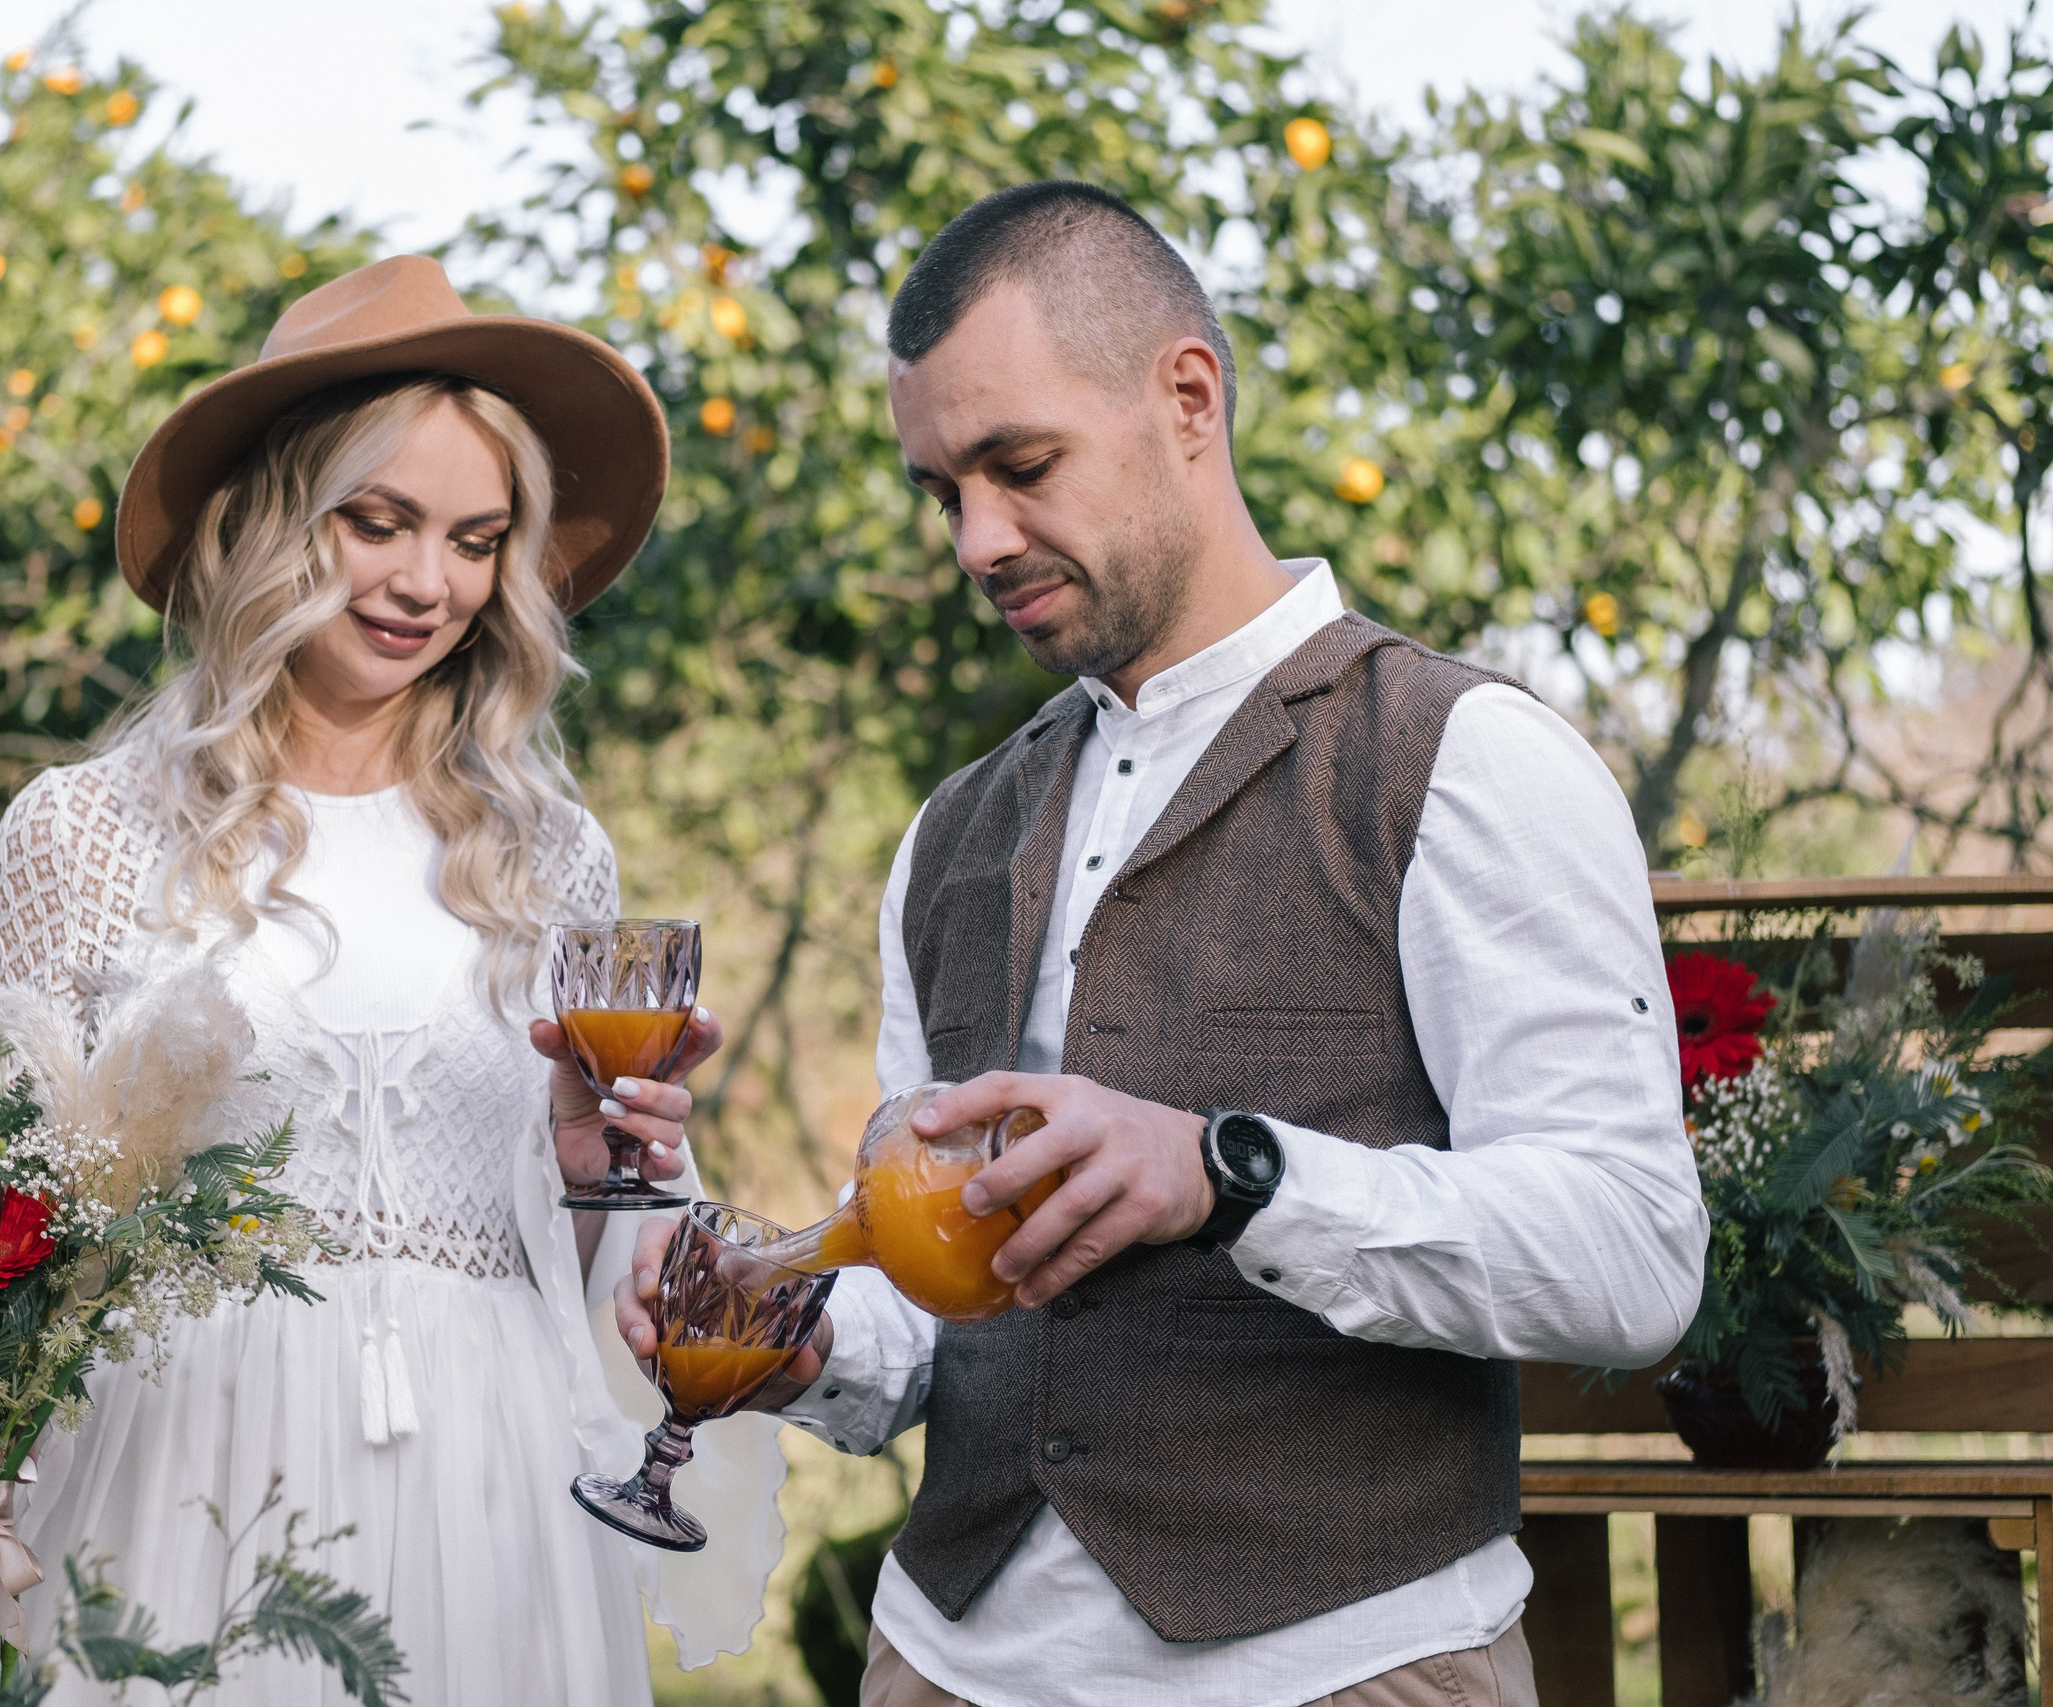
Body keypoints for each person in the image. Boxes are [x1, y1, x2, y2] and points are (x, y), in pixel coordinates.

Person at [616, 182, 1708, 1707]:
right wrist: (808, 1348)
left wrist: (1230, 1176)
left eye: (1021, 467)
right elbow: (947, 1303)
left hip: (1343, 1669)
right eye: (942, 492)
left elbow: (1632, 1257)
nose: (978, 539)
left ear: (1189, 397)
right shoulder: (951, 833)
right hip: (943, 1668)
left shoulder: (1464, 761)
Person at [0, 256, 788, 1704]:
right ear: (269, 522)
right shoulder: (85, 830)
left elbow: (561, 1269)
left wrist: (592, 1173)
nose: (430, 584)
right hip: (178, 1470)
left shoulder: (552, 857)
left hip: (490, 1479)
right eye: (378, 523)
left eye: (477, 541)